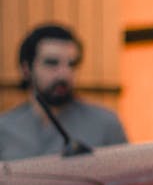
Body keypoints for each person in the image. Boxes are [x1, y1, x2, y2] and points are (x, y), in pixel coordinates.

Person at [0, 23, 128, 159]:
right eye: (52, 63)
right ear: (26, 69)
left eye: (72, 64)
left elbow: (127, 177)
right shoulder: (4, 129)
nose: (64, 74)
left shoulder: (105, 125)